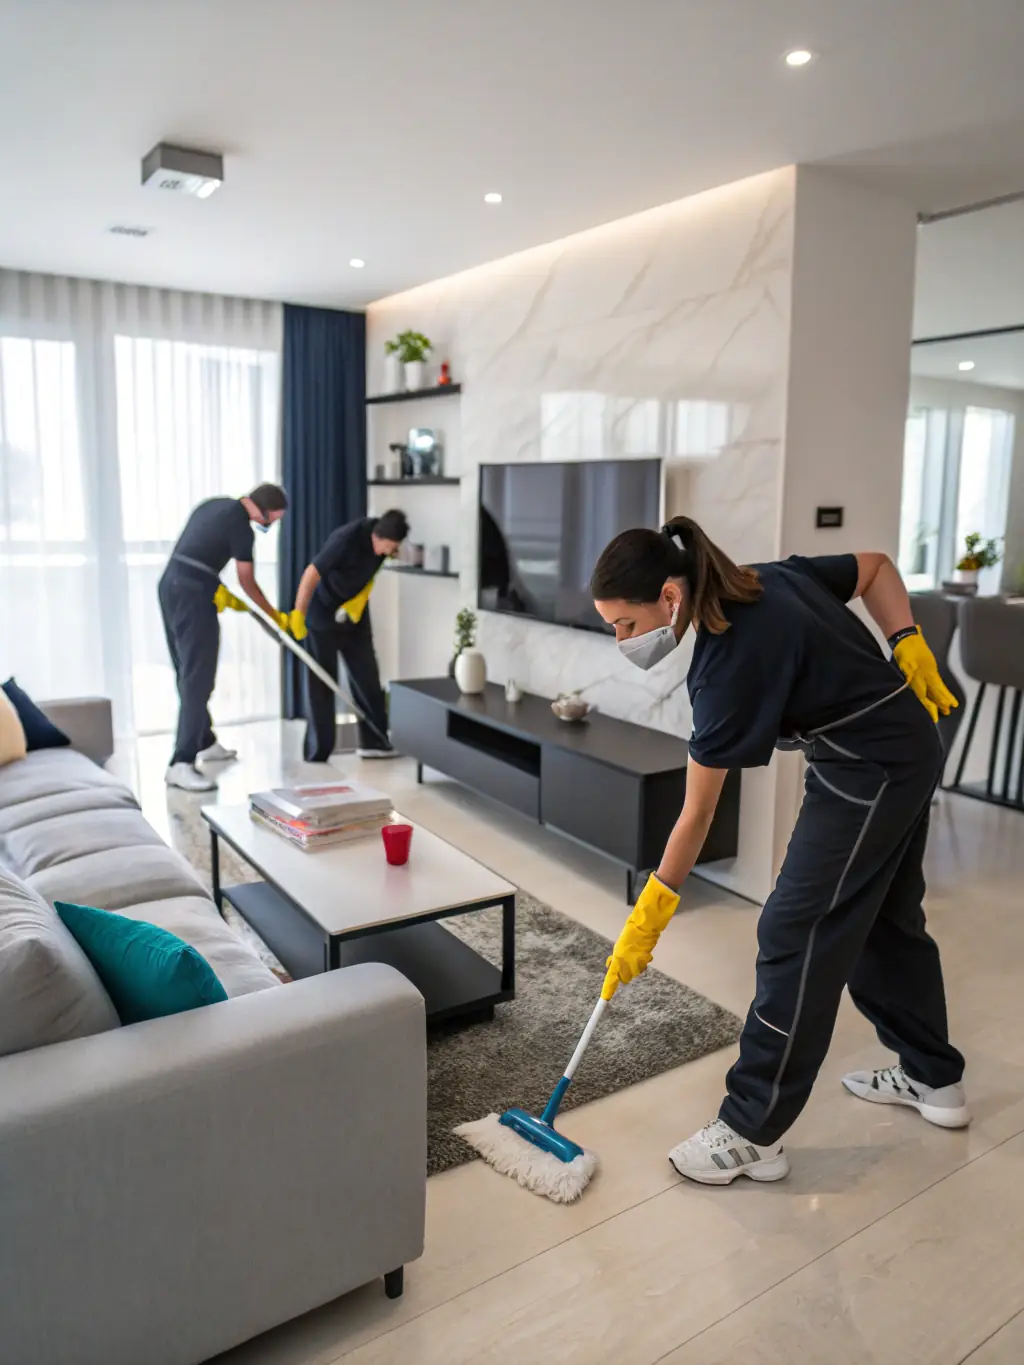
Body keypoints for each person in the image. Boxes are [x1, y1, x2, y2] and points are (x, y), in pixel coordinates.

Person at [592, 515, 964, 1185]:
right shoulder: (761, 579)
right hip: (901, 745)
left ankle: (751, 1129)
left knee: (795, 924)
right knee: (885, 918)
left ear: (669, 597)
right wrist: (904, 637)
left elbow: (697, 812)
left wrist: (648, 914)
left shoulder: (726, 664)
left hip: (871, 766)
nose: (621, 640)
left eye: (624, 624)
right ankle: (932, 1076)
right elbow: (875, 565)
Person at [159, 483, 289, 792]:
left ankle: (204, 740)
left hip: (170, 585)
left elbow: (196, 549)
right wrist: (275, 615)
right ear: (266, 511)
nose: (269, 524)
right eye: (274, 519)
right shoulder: (241, 527)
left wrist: (210, 584)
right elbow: (247, 581)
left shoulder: (215, 504)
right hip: (193, 595)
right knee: (199, 679)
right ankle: (181, 762)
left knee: (187, 673)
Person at [289, 509, 409, 762]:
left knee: (367, 676)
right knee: (322, 681)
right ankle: (318, 751)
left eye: (392, 549)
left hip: (352, 611)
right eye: (385, 547)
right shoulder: (347, 538)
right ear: (375, 536)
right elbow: (311, 573)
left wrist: (352, 609)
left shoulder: (385, 545)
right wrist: (298, 614)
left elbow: (369, 579)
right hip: (322, 609)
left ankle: (375, 742)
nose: (386, 554)